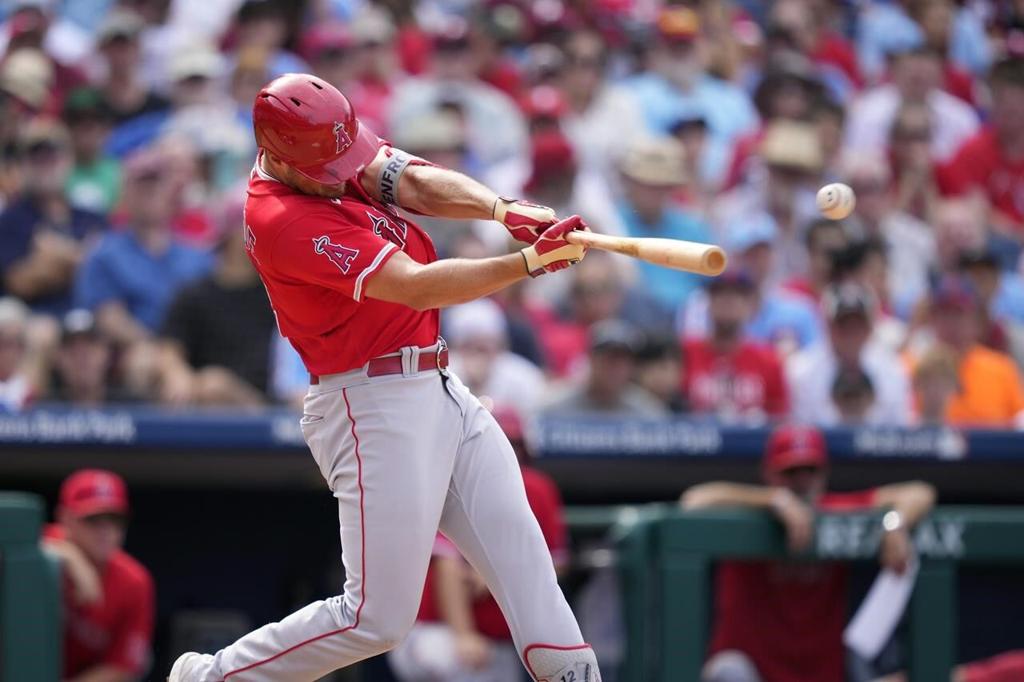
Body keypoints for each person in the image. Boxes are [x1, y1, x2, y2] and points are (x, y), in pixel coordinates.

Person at [169, 74, 600, 682]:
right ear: (280, 156)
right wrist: (528, 263)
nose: (348, 167)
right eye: (329, 162)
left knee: (526, 565)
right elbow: (414, 285)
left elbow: (413, 179)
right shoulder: (281, 219)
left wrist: (503, 209)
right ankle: (212, 678)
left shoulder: (324, 145)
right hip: (369, 401)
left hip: (438, 385)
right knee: (375, 618)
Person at [681, 424, 937, 682]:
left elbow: (920, 492)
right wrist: (774, 501)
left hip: (818, 675)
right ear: (770, 474)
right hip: (756, 673)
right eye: (791, 472)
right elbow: (694, 501)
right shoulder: (748, 513)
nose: (803, 481)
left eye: (810, 471)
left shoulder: (834, 510)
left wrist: (895, 523)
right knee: (729, 670)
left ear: (824, 474)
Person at [388, 407, 569, 682]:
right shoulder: (452, 481)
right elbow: (448, 567)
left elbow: (557, 564)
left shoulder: (537, 488)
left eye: (512, 444)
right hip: (436, 632)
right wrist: (464, 635)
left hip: (497, 645)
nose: (501, 452)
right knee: (456, 662)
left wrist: (499, 575)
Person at [74, 146, 214, 346]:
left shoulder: (199, 256)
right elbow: (108, 317)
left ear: (170, 193)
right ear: (125, 194)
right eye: (141, 185)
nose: (150, 192)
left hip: (195, 353)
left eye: (157, 184)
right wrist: (162, 352)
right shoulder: (104, 254)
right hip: (134, 354)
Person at [157, 198, 276, 407]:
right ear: (228, 236)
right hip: (200, 402)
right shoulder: (195, 294)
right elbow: (170, 348)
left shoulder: (276, 295)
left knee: (216, 384)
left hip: (268, 405)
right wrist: (177, 374)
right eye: (251, 228)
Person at [41, 469, 155, 682]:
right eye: (93, 520)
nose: (106, 530)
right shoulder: (40, 540)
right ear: (64, 518)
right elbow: (15, 546)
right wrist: (70, 556)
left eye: (114, 520)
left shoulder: (134, 581)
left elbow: (122, 667)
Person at [0, 118, 108, 315]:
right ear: (22, 166)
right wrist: (82, 256)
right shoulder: (9, 220)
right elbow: (20, 283)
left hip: (92, 318)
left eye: (52, 157)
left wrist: (56, 255)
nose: (45, 165)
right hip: (37, 317)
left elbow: (109, 272)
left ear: (69, 161)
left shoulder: (93, 217)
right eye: (36, 159)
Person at [786, 282, 912, 425]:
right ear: (828, 326)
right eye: (843, 325)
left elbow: (900, 433)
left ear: (870, 328)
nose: (851, 333)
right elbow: (801, 432)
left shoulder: (892, 369)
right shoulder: (802, 371)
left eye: (858, 325)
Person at [616, 136, 712, 312]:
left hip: (684, 323)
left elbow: (709, 286)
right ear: (630, 182)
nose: (653, 192)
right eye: (646, 183)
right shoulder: (612, 222)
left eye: (661, 185)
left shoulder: (693, 228)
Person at [681, 270, 789, 423]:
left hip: (752, 444)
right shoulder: (686, 352)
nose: (727, 301)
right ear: (708, 302)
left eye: (737, 295)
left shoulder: (769, 359)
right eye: (719, 294)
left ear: (750, 305)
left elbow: (779, 418)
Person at [919, 276, 1024, 427]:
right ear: (932, 320)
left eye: (959, 314)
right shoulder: (915, 366)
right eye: (944, 314)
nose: (951, 324)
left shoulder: (1001, 370)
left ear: (977, 320)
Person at [939, 58, 1024, 236]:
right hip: (989, 248)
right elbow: (969, 208)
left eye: (1017, 104)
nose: (1011, 108)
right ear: (991, 105)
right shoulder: (971, 152)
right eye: (1003, 102)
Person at [444, 298, 546, 418]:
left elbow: (534, 425)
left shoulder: (522, 376)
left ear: (499, 345)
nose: (478, 357)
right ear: (456, 347)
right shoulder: (445, 373)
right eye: (469, 346)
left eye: (484, 348)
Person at [546, 319, 667, 417]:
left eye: (623, 360)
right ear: (591, 359)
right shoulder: (555, 407)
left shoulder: (647, 412)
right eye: (609, 359)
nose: (615, 367)